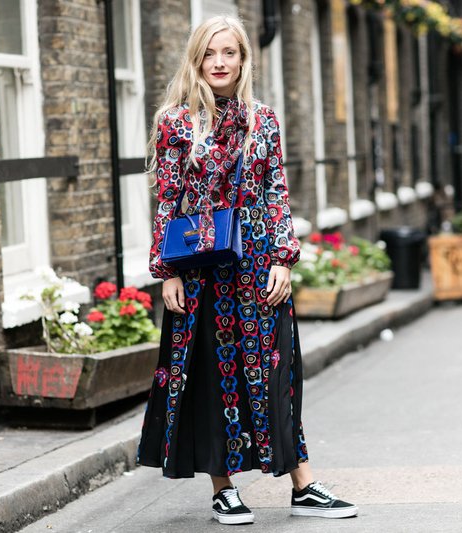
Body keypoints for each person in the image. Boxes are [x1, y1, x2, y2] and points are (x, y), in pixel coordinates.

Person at [136, 16, 358, 525]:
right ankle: (223, 487)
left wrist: (283, 256)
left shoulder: (264, 121)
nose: (219, 62)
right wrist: (167, 271)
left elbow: (277, 192)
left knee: (278, 372)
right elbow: (168, 202)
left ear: (243, 59)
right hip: (200, 269)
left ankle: (302, 484)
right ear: (197, 59)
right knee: (214, 373)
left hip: (258, 265)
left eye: (229, 53)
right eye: (210, 53)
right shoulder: (176, 123)